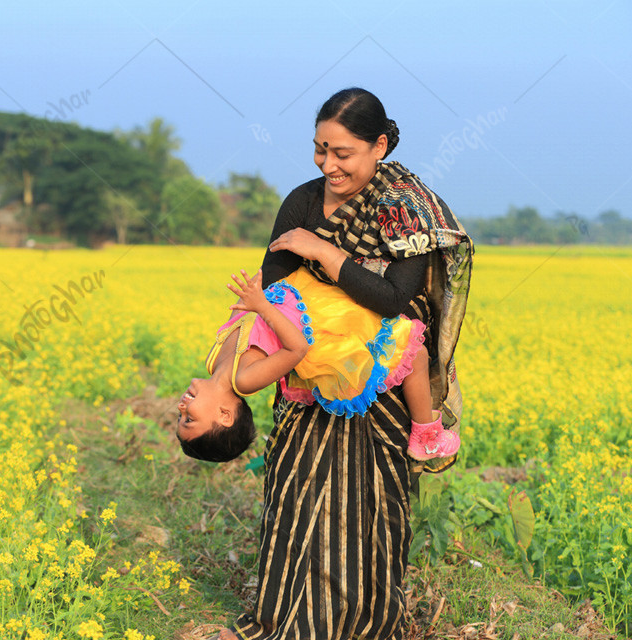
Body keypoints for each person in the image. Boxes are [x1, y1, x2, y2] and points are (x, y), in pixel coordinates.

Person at [215, 88, 474, 640]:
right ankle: (288, 618)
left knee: (367, 513)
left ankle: (363, 625)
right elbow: (275, 291)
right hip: (305, 380)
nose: (328, 165)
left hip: (377, 395)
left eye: (343, 153)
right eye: (319, 150)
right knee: (296, 504)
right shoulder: (302, 202)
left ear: (378, 145)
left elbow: (395, 301)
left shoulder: (408, 212)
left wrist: (326, 253)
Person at [176, 265, 459, 464]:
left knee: (411, 349)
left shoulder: (213, 362)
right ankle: (425, 434)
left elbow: (248, 319)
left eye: (181, 417)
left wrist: (251, 295)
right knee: (414, 353)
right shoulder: (245, 380)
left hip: (296, 296)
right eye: (189, 419)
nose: (181, 408)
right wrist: (261, 305)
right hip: (318, 327)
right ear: (225, 416)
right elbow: (296, 348)